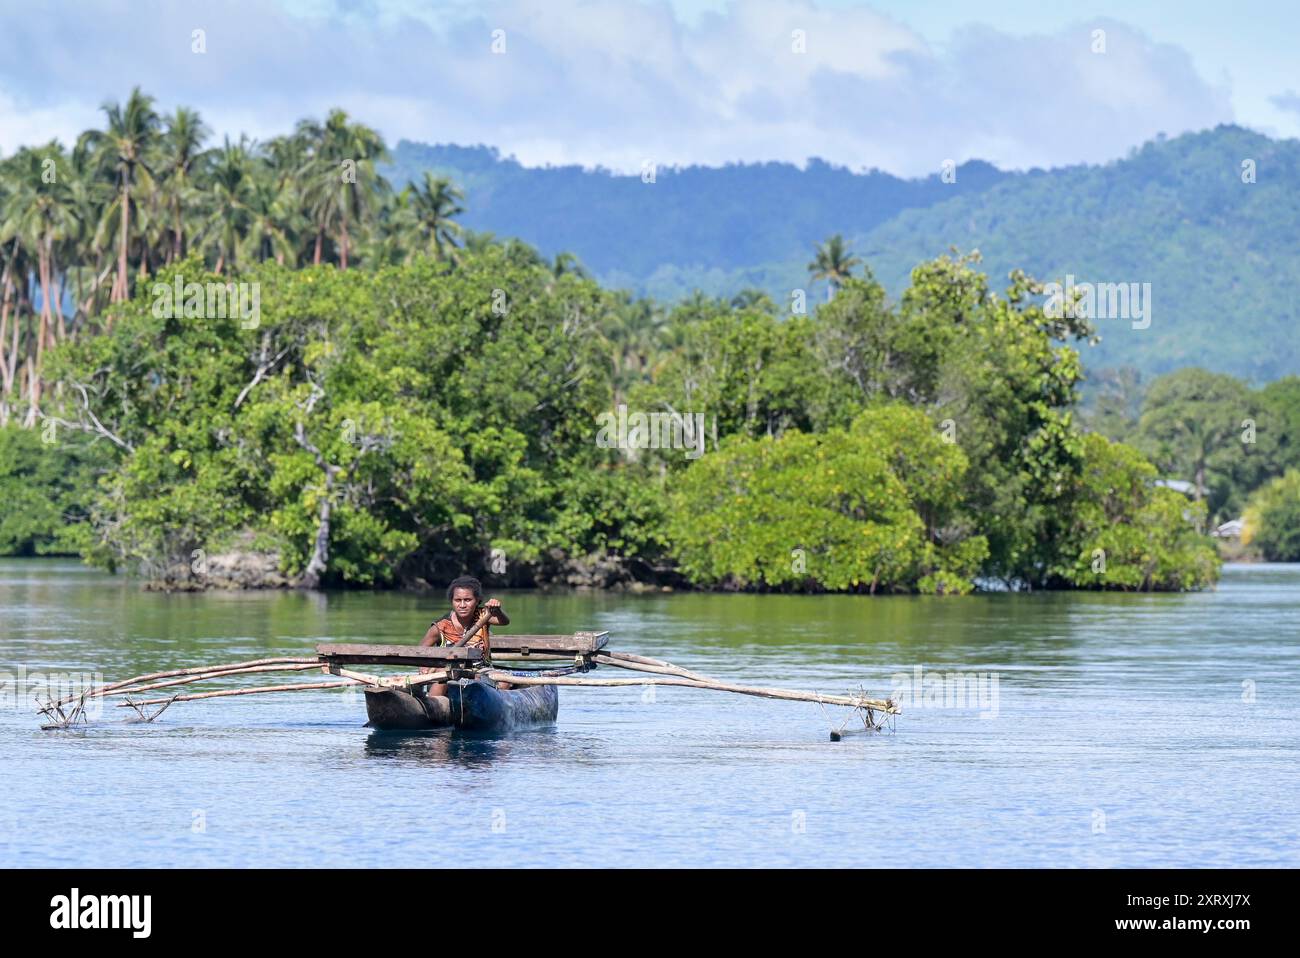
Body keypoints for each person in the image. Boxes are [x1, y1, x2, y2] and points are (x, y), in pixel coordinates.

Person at [418, 576, 510, 693]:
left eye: (467, 600)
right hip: (447, 672)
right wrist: (424, 667)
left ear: (477, 601)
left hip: (481, 670)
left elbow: (504, 622)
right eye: (457, 600)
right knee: (443, 677)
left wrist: (497, 611)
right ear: (452, 601)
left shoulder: (484, 615)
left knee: (504, 682)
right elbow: (421, 650)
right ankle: (435, 706)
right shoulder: (440, 626)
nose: (462, 605)